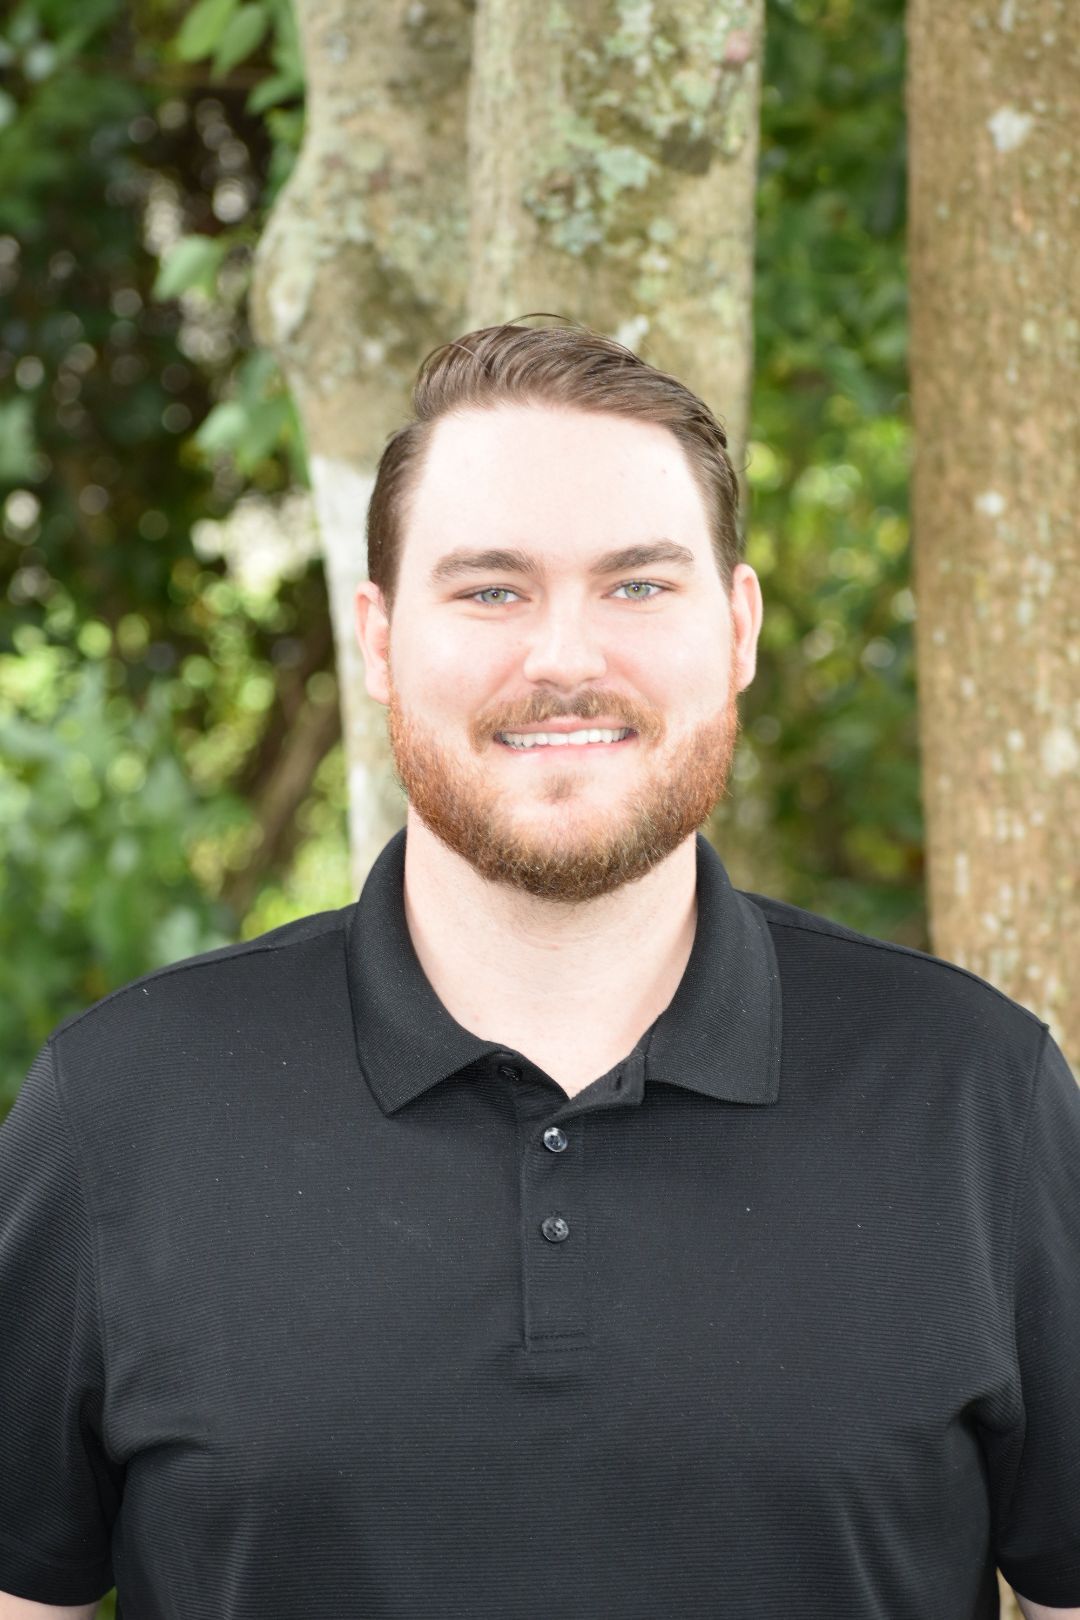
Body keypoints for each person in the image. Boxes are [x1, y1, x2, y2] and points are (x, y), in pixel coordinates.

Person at [1, 322, 1078, 1620]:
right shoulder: (123, 1110)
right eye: (492, 588)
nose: (566, 657)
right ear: (381, 638)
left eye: (638, 585)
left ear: (736, 628)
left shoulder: (976, 1098)